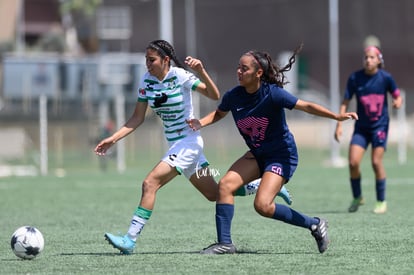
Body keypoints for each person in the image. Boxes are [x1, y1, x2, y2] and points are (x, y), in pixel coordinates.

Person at [94, 39, 291, 254]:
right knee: (215, 194)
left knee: (150, 183)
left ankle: (129, 239)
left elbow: (214, 95)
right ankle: (264, 185)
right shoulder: (146, 82)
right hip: (176, 145)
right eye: (146, 60)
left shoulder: (180, 76)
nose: (148, 64)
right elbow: (136, 118)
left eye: (152, 60)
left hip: (189, 143)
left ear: (166, 60)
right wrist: (113, 138)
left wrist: (201, 71)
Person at [187, 44, 358, 254]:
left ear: (259, 73)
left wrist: (336, 116)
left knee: (263, 206)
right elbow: (219, 114)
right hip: (258, 154)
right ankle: (225, 243)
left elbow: (307, 106)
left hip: (281, 156)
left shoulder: (273, 94)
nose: (239, 72)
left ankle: (314, 224)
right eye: (238, 67)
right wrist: (200, 123)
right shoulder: (234, 96)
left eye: (244, 69)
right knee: (225, 185)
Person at [335, 46, 402, 214]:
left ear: (379, 60)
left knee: (376, 162)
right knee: (353, 162)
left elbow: (397, 95)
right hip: (361, 128)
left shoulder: (386, 78)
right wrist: (339, 124)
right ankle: (358, 197)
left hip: (380, 126)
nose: (368, 60)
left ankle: (381, 201)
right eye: (366, 57)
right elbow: (345, 102)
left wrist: (397, 102)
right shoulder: (355, 78)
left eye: (372, 57)